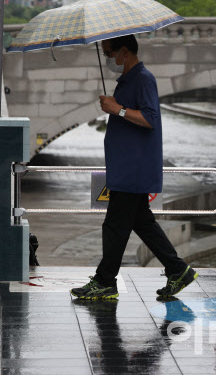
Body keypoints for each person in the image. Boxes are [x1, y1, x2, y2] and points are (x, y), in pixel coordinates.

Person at [71, 34, 197, 300]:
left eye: (108, 54)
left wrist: (117, 109)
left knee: (115, 225)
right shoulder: (128, 81)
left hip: (133, 168)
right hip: (125, 166)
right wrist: (116, 108)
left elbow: (150, 118)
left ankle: (105, 281)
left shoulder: (143, 79)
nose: (108, 60)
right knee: (142, 222)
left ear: (124, 52)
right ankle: (178, 270)